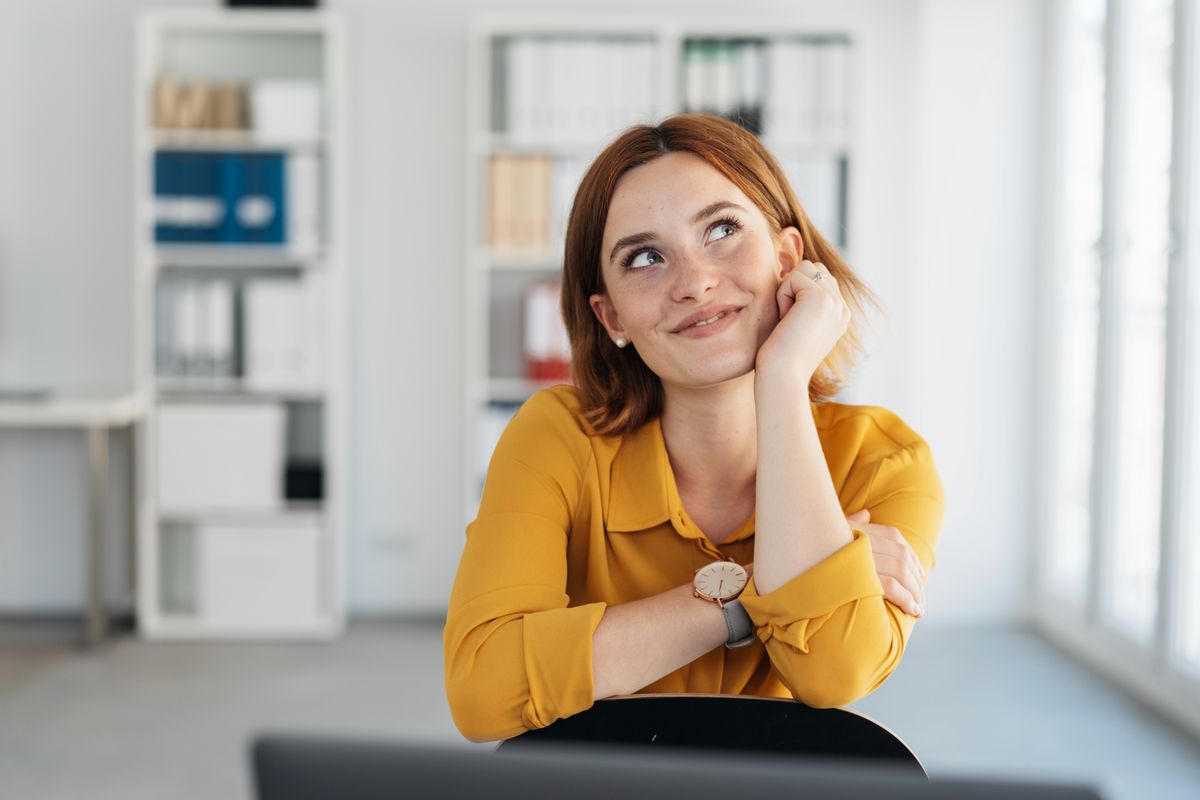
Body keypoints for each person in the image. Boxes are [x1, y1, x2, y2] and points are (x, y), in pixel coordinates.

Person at [444, 113, 945, 743]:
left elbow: (834, 672)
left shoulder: (884, 460)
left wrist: (784, 379)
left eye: (723, 229)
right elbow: (483, 689)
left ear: (788, 259)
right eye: (646, 257)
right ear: (612, 317)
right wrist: (744, 596)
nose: (695, 281)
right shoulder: (556, 435)